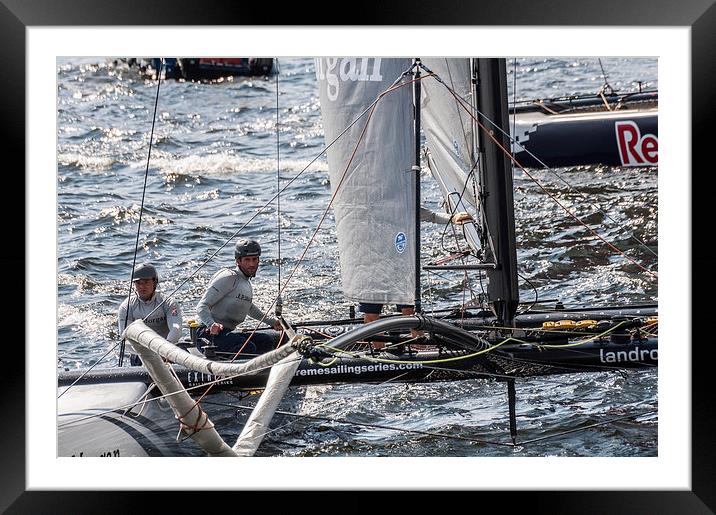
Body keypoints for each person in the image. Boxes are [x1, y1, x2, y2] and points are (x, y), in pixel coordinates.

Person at [361, 208, 473, 349]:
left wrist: (452, 218)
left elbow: (431, 216)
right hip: (371, 268)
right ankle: (378, 354)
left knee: (410, 313)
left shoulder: (402, 202)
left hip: (399, 267)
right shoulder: (367, 205)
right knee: (371, 315)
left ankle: (421, 350)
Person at [195, 239, 283, 359]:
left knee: (266, 341)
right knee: (248, 348)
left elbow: (249, 308)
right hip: (207, 334)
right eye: (247, 260)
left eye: (254, 259)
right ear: (238, 261)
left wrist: (272, 322)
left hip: (227, 333)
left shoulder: (246, 284)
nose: (252, 264)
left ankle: (264, 371)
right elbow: (201, 306)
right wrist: (211, 325)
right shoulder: (229, 277)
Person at [118, 263, 183, 365]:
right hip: (141, 354)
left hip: (166, 350)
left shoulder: (169, 303)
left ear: (154, 282)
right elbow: (125, 338)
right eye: (138, 283)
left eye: (146, 282)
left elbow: (176, 329)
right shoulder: (126, 307)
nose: (142, 286)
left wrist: (164, 350)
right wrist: (147, 353)